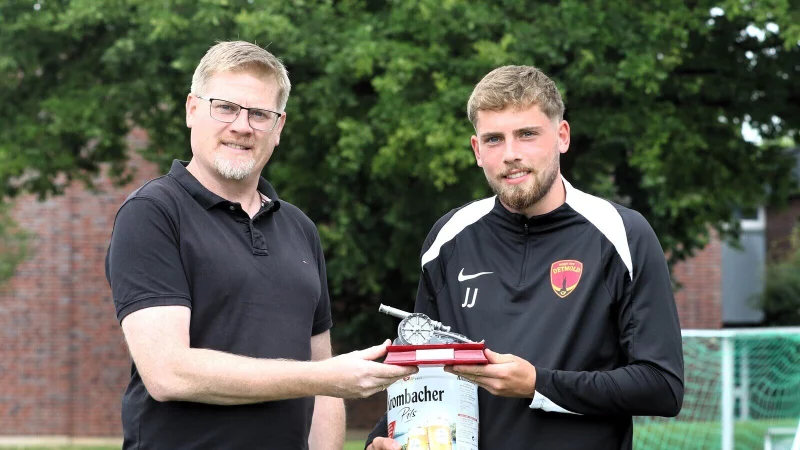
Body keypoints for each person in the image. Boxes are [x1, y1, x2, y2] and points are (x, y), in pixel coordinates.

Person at [105, 41, 416, 450]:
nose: (242, 126)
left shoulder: (299, 228)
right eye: (226, 107)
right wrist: (325, 377)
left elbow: (324, 386)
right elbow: (167, 372)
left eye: (259, 114)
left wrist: (326, 380)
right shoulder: (153, 213)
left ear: (279, 127)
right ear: (192, 110)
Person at [366, 65, 684, 450]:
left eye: (527, 134)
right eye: (494, 139)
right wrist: (380, 439)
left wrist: (538, 384)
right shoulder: (448, 238)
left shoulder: (622, 234)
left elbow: (662, 387)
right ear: (477, 150)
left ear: (562, 136)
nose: (511, 154)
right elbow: (426, 373)